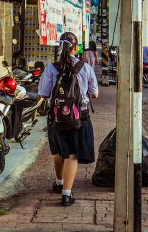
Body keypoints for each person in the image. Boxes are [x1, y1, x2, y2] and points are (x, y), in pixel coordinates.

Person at [38, 32, 99, 206]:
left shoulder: (51, 68)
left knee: (58, 151)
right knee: (72, 154)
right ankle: (66, 193)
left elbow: (43, 93)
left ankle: (59, 182)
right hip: (79, 117)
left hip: (57, 117)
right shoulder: (85, 67)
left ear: (60, 47)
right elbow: (94, 93)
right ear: (75, 48)